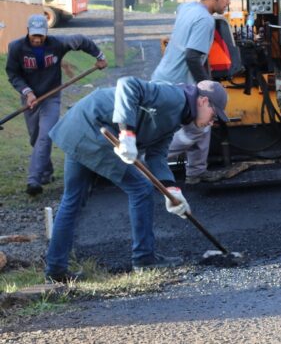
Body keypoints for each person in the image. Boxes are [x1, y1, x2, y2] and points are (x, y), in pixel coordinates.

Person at [44, 76, 229, 282]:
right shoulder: (175, 97)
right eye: (214, 116)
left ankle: (56, 269)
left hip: (80, 124)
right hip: (93, 126)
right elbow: (127, 84)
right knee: (140, 189)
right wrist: (127, 135)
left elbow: (157, 155)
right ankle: (144, 259)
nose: (211, 123)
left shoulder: (177, 117)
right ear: (203, 101)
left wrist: (172, 191)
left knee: (73, 199)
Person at [5, 14, 108, 196]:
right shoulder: (16, 48)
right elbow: (13, 74)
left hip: (51, 97)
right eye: (34, 35)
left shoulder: (57, 44)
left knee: (45, 136)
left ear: (46, 33)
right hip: (30, 99)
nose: (37, 39)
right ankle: (46, 172)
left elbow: (81, 41)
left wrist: (99, 56)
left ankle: (33, 180)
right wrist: (27, 93)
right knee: (35, 137)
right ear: (28, 32)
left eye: (40, 35)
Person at [151, 0, 236, 185]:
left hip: (164, 75)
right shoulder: (205, 20)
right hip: (176, 82)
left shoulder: (186, 7)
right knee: (195, 129)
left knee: (204, 125)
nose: (228, 2)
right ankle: (144, 165)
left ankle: (196, 172)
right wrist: (206, 88)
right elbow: (192, 57)